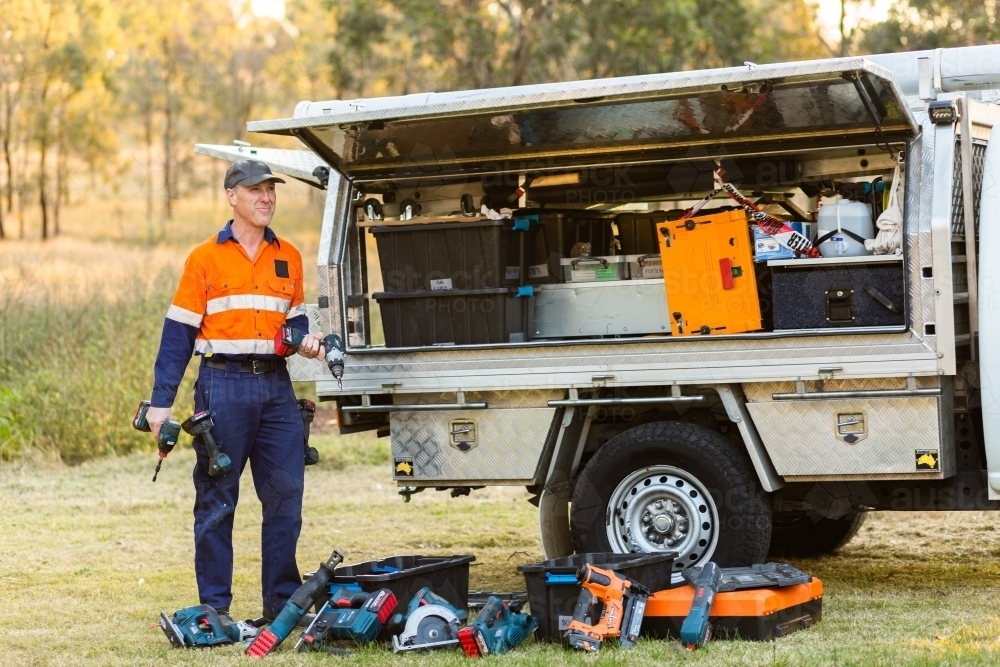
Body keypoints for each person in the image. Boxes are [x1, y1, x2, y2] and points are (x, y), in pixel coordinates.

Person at [145, 160, 325, 621]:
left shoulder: (289, 255)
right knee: (216, 499)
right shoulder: (205, 257)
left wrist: (303, 337)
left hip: (276, 389)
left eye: (271, 190)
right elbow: (178, 335)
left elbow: (297, 320)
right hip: (221, 386)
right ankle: (214, 610)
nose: (266, 198)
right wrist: (161, 403)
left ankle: (282, 606)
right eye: (255, 190)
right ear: (231, 196)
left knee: (286, 498)